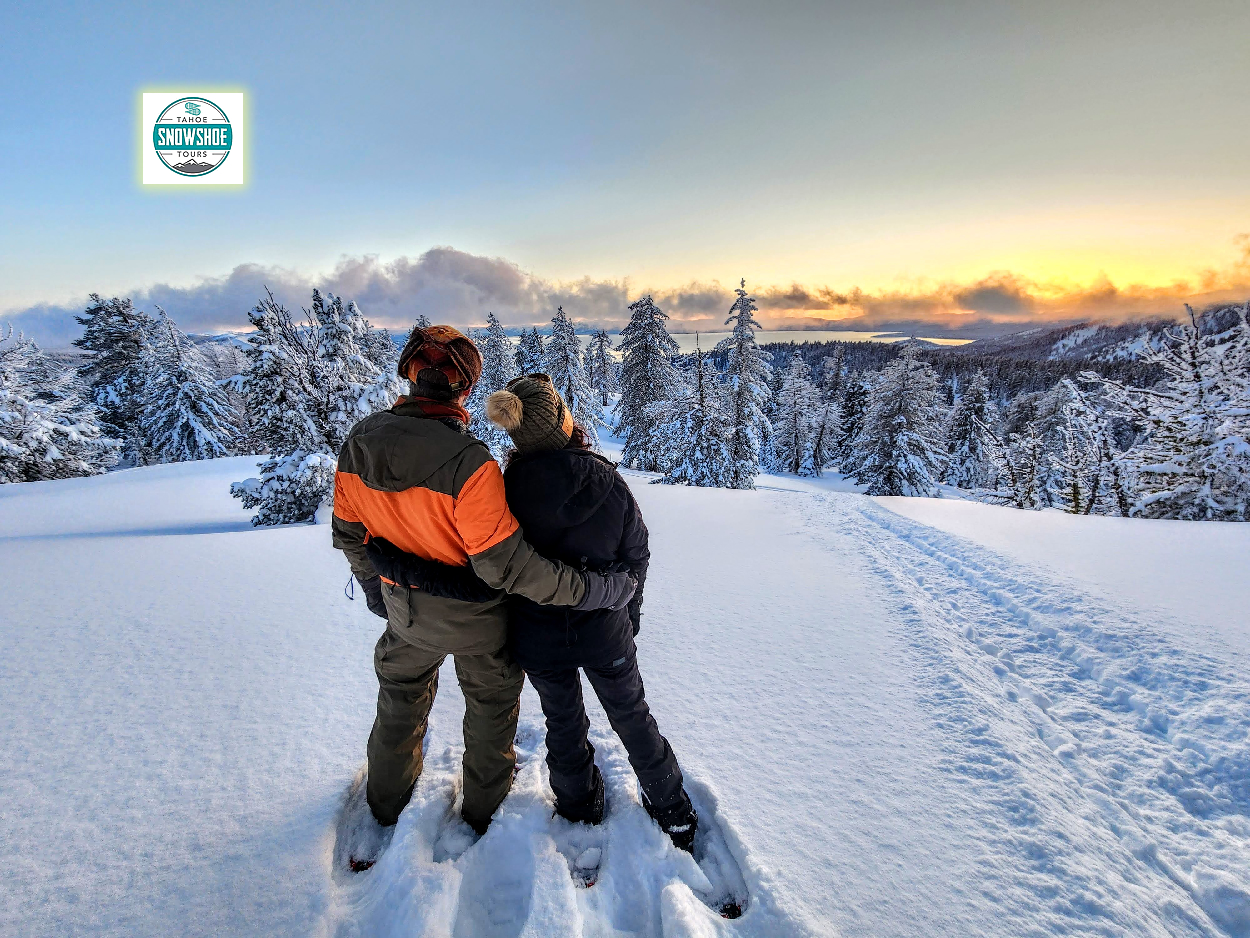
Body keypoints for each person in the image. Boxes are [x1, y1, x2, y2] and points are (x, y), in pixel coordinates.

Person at [331, 326, 636, 858]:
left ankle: (384, 803)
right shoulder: (470, 463)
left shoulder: (358, 443)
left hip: (406, 612)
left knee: (399, 702)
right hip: (478, 623)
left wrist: (381, 594)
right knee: (491, 708)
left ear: (408, 375)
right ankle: (483, 810)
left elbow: (349, 536)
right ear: (465, 388)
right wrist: (591, 589)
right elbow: (507, 568)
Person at [484, 373, 699, 852]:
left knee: (563, 721)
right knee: (631, 715)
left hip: (537, 637)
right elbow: (636, 556)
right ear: (563, 423)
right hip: (605, 629)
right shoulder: (609, 482)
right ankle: (673, 810)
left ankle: (579, 804)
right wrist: (630, 617)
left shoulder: (501, 493)